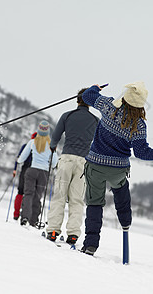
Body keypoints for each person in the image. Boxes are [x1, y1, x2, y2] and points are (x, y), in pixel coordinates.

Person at [80, 82, 153, 255]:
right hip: (118, 170)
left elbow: (86, 97)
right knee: (122, 194)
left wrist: (95, 88)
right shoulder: (139, 125)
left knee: (94, 203)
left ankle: (90, 245)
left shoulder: (108, 106)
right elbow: (142, 152)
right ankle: (126, 225)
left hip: (95, 165)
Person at [46, 88, 99, 244]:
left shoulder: (67, 115)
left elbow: (55, 137)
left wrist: (53, 146)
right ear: (91, 102)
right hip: (84, 162)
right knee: (77, 199)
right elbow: (98, 143)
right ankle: (73, 234)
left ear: (77, 100)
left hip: (67, 158)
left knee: (59, 195)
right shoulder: (95, 121)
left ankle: (53, 230)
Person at [17, 121, 58, 227]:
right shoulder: (51, 145)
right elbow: (54, 163)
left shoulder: (32, 142)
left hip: (32, 170)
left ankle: (25, 217)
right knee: (37, 196)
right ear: (48, 132)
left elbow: (21, 158)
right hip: (43, 173)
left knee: (28, 194)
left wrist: (18, 161)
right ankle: (34, 220)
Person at [12, 132, 37, 220]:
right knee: (30, 194)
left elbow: (18, 159)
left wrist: (15, 169)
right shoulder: (41, 148)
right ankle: (27, 215)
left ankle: (16, 213)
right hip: (35, 170)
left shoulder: (26, 145)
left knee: (20, 192)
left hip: (25, 170)